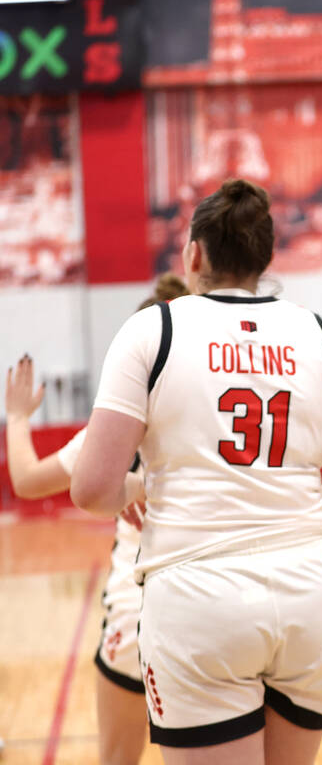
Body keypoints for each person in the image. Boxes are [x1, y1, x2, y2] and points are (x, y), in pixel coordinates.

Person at [69, 179, 322, 765]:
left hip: (200, 594)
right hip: (312, 590)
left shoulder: (155, 329)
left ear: (193, 255)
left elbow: (93, 488)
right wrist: (292, 506)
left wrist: (140, 487)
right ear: (265, 257)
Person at [4, 278, 186, 765]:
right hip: (218, 606)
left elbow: (25, 479)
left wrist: (18, 417)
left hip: (141, 614)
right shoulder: (212, 419)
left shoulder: (112, 432)